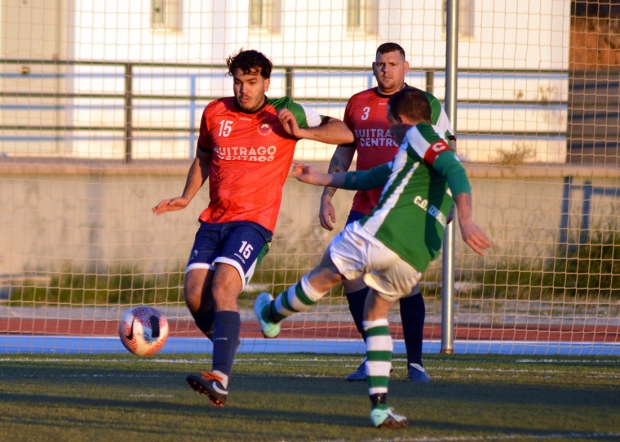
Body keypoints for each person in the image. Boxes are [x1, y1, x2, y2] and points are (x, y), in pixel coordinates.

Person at [254, 87, 490, 428]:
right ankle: (380, 407)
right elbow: (372, 176)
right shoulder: (413, 154)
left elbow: (456, 169)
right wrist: (321, 177)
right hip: (415, 258)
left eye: (391, 121)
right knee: (376, 312)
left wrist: (467, 221)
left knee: (326, 273)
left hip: (381, 235)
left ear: (402, 119)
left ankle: (271, 314)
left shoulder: (421, 135)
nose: (389, 128)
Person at [152, 49, 354, 407]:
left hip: (254, 222)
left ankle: (220, 378)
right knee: (194, 294)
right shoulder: (215, 112)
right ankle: (227, 341)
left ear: (266, 82)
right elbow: (203, 156)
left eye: (251, 82)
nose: (244, 89)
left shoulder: (283, 110)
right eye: (238, 82)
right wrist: (186, 197)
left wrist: (302, 131)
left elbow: (345, 133)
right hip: (214, 218)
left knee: (223, 286)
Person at [319, 42, 456, 382]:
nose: (386, 70)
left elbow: (448, 152)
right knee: (349, 278)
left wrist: (448, 197)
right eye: (380, 64)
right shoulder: (358, 103)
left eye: (392, 63)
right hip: (364, 204)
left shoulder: (425, 104)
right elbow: (344, 153)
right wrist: (327, 195)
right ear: (373, 66)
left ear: (405, 67)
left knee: (404, 284)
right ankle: (374, 357)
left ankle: (416, 363)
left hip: (405, 208)